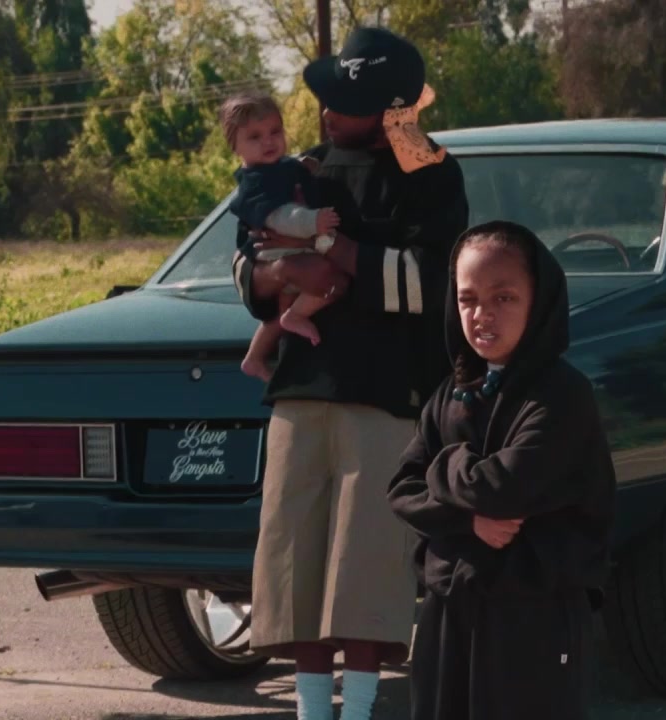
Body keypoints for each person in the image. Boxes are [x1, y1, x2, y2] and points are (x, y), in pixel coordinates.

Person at [229, 26, 469, 720]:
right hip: (299, 393)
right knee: (294, 567)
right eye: (329, 97)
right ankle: (313, 713)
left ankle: (357, 711)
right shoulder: (304, 164)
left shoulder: (432, 171)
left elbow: (434, 283)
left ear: (393, 108)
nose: (329, 112)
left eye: (348, 102)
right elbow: (248, 259)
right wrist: (278, 273)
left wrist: (333, 252)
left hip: (388, 399)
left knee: (366, 571)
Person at [387, 220, 617, 720]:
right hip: (452, 605)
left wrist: (446, 461)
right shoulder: (451, 392)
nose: (482, 314)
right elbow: (402, 488)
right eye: (467, 299)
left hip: (534, 612)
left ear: (539, 300)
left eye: (504, 298)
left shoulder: (561, 395)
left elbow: (502, 488)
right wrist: (467, 520)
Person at [218, 92, 344, 382]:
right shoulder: (255, 183)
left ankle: (254, 357)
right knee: (333, 279)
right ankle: (296, 317)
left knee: (281, 308)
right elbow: (279, 216)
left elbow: (295, 175)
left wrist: (308, 168)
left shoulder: (278, 168)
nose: (268, 141)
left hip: (286, 252)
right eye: (255, 136)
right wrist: (313, 222)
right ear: (235, 147)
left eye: (275, 131)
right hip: (272, 250)